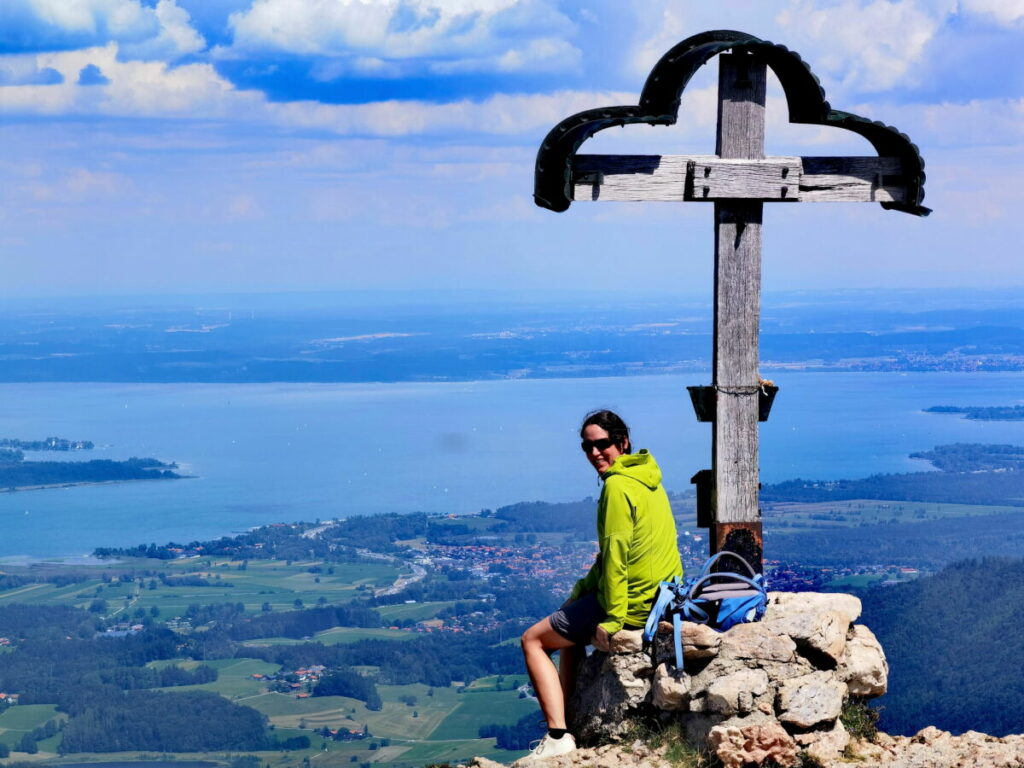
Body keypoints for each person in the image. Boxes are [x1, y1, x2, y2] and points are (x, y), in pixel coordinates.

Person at [519, 409, 684, 760]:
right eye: (587, 447)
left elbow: (616, 557)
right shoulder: (647, 478)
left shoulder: (616, 486)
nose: (594, 453)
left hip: (633, 601)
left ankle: (558, 734)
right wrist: (581, 591)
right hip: (660, 596)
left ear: (622, 442)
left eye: (602, 444)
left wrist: (614, 617)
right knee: (569, 630)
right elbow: (616, 555)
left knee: (532, 640)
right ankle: (570, 719)